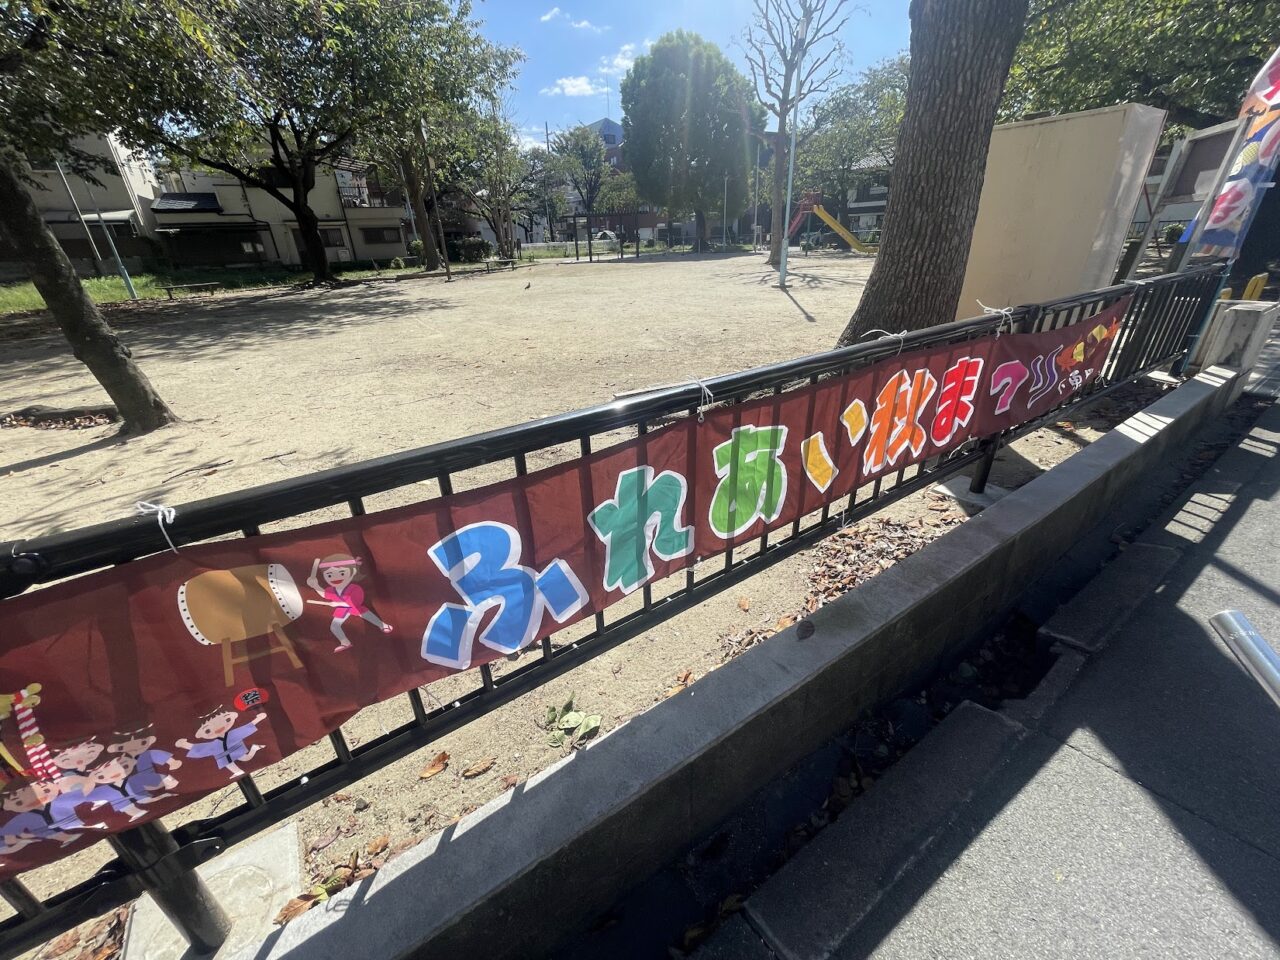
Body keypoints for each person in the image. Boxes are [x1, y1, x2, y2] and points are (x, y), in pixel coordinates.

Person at [306, 553, 394, 652]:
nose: (335, 578)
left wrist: (337, 604)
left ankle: (383, 625)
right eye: (329, 575)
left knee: (368, 616)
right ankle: (345, 642)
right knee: (334, 626)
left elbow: (354, 602)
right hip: (342, 610)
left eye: (342, 573)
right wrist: (316, 585)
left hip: (355, 608)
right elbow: (324, 594)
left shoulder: (355, 589)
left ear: (352, 573)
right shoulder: (332, 590)